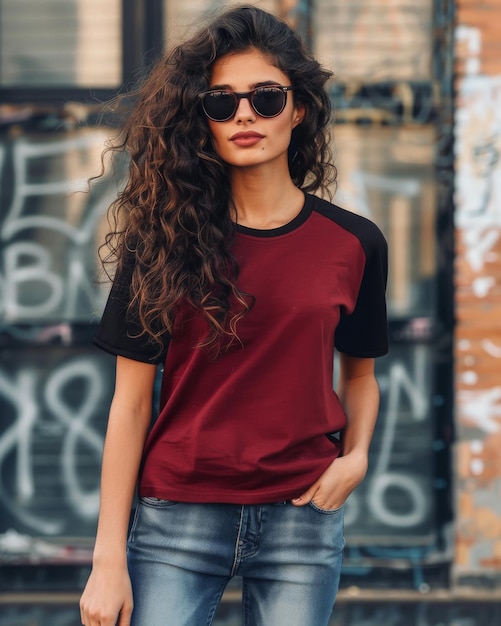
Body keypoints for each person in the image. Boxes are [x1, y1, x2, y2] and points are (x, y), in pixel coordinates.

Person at [79, 5, 388, 626]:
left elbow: (359, 375)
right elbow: (130, 403)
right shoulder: (163, 240)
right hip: (176, 516)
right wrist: (107, 559)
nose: (244, 115)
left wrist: (355, 460)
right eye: (221, 103)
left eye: (265, 98)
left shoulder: (354, 243)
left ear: (298, 109)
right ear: (203, 124)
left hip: (304, 515)